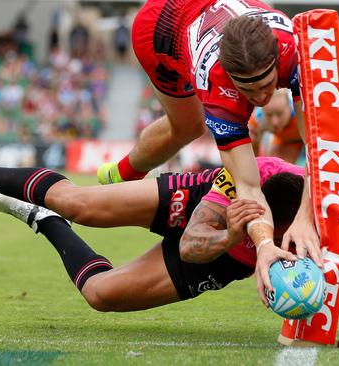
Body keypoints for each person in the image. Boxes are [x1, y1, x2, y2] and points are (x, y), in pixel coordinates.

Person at [0, 155, 339, 349]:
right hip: (203, 214)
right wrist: (245, 241)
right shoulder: (269, 175)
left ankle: (41, 221)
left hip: (221, 258)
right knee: (80, 202)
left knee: (101, 295)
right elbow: (194, 242)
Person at [94, 0, 320, 297]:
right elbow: (248, 186)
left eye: (267, 85)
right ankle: (122, 175)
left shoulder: (296, 47)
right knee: (187, 127)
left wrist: (304, 217)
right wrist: (265, 245)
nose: (261, 98)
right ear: (229, 79)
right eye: (248, 91)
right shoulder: (216, 90)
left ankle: (121, 176)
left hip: (211, 13)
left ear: (278, 59)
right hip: (162, 27)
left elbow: (318, 145)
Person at [248, 89, 339, 191]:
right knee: (274, 181)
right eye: (269, 115)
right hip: (286, 142)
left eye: (280, 114)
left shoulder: (307, 113)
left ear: (290, 107)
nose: (274, 121)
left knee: (323, 182)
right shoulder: (257, 121)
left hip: (316, 139)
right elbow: (255, 153)